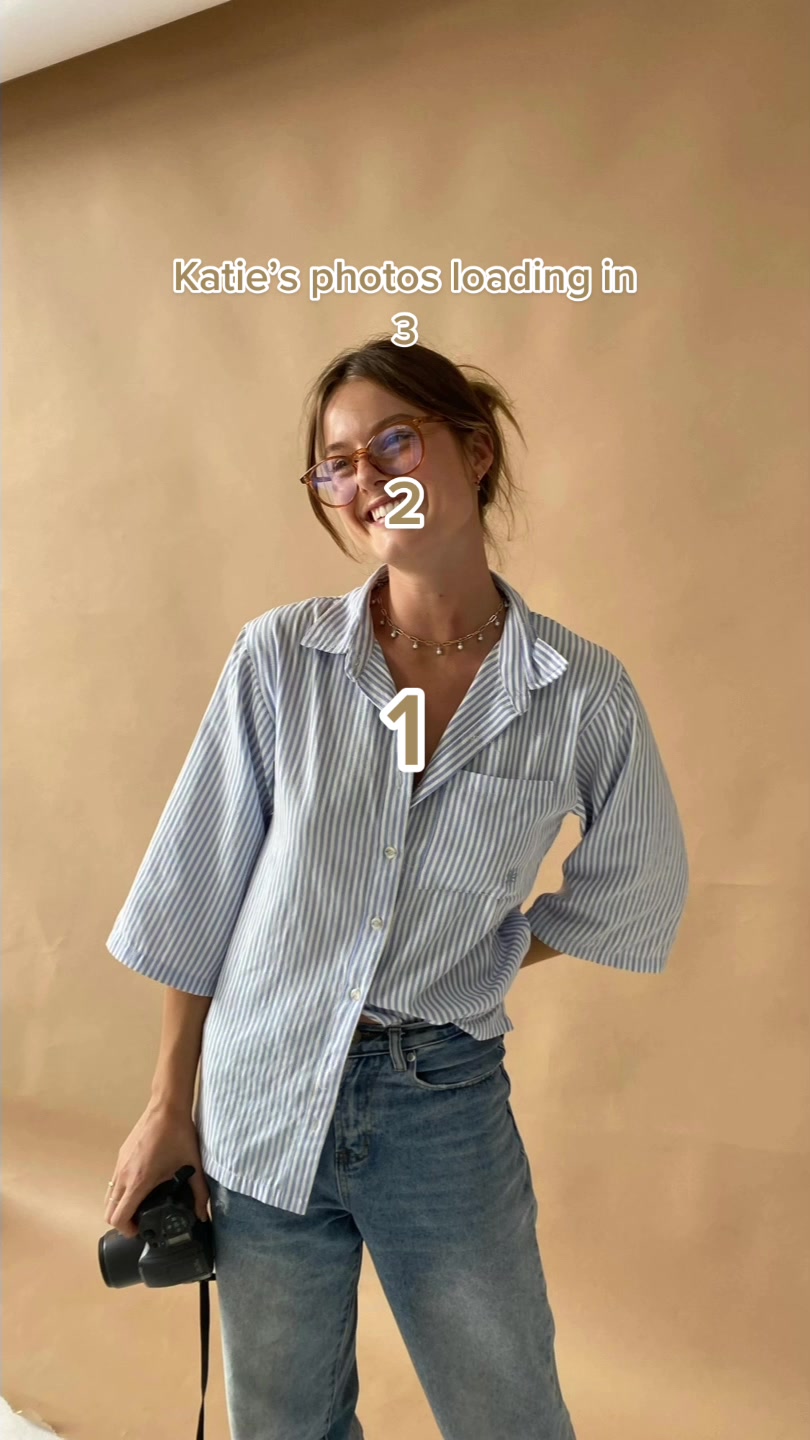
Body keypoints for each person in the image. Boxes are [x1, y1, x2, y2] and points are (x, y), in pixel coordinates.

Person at [104, 336, 689, 1440]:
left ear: (476, 452)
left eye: (393, 443)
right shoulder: (279, 661)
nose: (367, 480)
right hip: (261, 1090)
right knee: (285, 1424)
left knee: (509, 1416)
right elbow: (197, 896)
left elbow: (637, 887)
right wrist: (167, 1105)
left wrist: (485, 946)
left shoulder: (580, 694)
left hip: (442, 1108)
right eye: (338, 465)